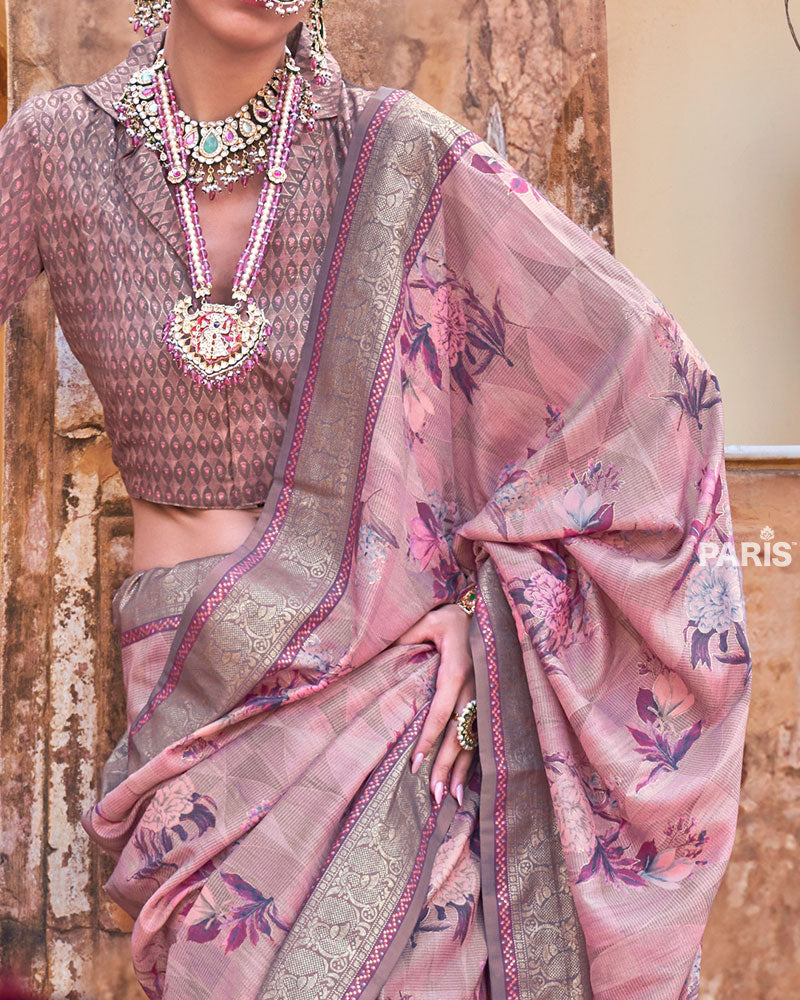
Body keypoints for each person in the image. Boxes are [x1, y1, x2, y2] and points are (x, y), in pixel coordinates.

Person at [0, 1, 752, 997]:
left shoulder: (392, 154)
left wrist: (488, 614)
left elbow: (655, 389)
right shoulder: (54, 151)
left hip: (388, 697)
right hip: (194, 704)